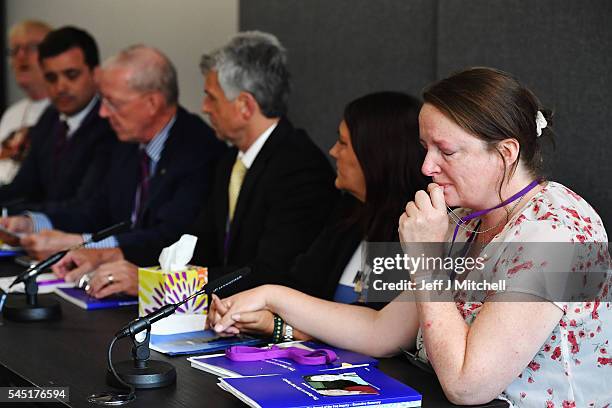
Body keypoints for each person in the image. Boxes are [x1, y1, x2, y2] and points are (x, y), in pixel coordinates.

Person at [208, 67, 611, 406]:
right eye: (424, 148)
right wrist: (274, 295)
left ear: (506, 153)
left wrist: (425, 257)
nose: (426, 166)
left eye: (445, 151)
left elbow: (468, 385)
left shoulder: (559, 235)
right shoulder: (467, 220)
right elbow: (381, 331)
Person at [51, 31, 337, 300]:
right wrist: (114, 255)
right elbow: (195, 244)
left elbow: (269, 274)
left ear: (245, 106)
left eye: (211, 97)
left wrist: (153, 283)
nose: (204, 107)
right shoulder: (230, 161)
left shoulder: (299, 169)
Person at [210, 91, 428, 341]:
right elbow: (300, 286)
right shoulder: (349, 213)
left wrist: (278, 325)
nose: (333, 151)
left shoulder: (412, 230)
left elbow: (374, 329)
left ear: (377, 155)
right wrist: (246, 310)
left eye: (344, 143)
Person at [3, 45, 225, 263]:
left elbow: (170, 237)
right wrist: (33, 223)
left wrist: (79, 243)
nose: (103, 112)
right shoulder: (125, 143)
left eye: (113, 103)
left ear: (152, 103)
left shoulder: (198, 148)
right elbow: (93, 211)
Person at [0, 26, 116, 217]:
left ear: (96, 74)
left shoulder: (111, 123)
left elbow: (84, 207)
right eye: (51, 78)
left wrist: (21, 215)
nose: (60, 87)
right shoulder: (50, 117)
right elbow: (23, 187)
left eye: (71, 75)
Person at [0, 20, 52, 184]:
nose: (21, 56)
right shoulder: (12, 114)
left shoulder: (66, 111)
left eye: (31, 48)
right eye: (15, 50)